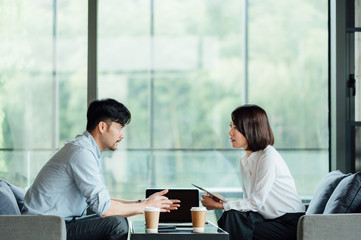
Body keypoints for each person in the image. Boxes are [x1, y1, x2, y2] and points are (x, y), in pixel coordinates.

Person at [24, 98, 180, 240]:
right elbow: (105, 209)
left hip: (55, 224)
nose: (122, 135)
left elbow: (102, 201)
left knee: (119, 220)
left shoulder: (86, 150)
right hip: (45, 229)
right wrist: (144, 207)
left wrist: (142, 202)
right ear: (102, 127)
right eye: (120, 128)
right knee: (116, 224)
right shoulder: (81, 153)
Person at [201, 104, 305, 240]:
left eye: (236, 128)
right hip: (266, 218)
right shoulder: (244, 160)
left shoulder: (268, 156)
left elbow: (256, 203)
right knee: (232, 216)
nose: (230, 132)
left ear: (251, 129)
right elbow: (250, 202)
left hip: (288, 222)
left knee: (234, 222)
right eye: (230, 126)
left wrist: (220, 205)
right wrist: (224, 202)